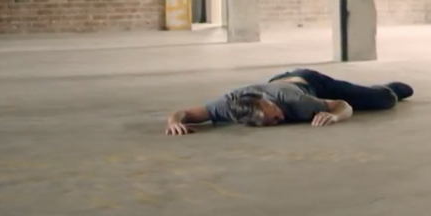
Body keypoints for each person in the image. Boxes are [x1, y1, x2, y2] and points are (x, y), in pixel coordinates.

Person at [164, 69, 414, 136]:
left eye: (274, 114)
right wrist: (175, 122)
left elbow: (341, 104)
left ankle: (389, 87)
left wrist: (334, 116)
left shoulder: (297, 102)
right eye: (272, 123)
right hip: (281, 81)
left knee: (383, 100)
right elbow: (185, 113)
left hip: (310, 82)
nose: (280, 119)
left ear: (267, 102)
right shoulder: (226, 107)